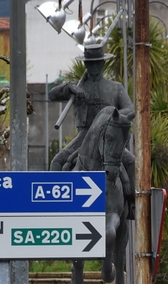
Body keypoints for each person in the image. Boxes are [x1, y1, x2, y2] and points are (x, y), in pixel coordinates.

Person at [48, 43, 136, 219]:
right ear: (86, 65)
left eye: (97, 63)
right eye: (90, 64)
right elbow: (51, 95)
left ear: (102, 64)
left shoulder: (115, 87)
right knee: (57, 161)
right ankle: (53, 206)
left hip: (108, 137)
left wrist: (112, 115)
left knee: (130, 160)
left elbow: (129, 108)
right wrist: (67, 88)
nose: (93, 67)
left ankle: (132, 203)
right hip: (84, 136)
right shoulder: (77, 87)